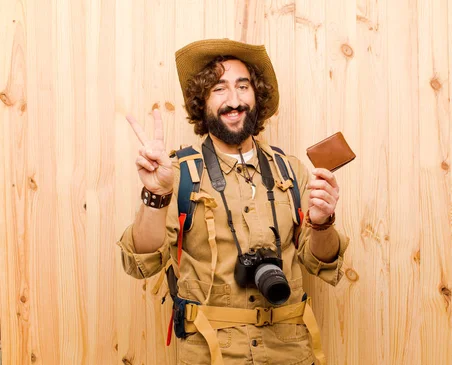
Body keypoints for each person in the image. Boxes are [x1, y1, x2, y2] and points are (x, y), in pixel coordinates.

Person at [117, 38, 349, 365]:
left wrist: (324, 221)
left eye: (243, 86)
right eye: (219, 89)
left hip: (290, 353)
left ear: (257, 97)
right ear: (203, 102)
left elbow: (321, 263)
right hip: (212, 355)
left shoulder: (292, 171)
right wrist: (156, 194)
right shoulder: (179, 174)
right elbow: (141, 262)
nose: (234, 99)